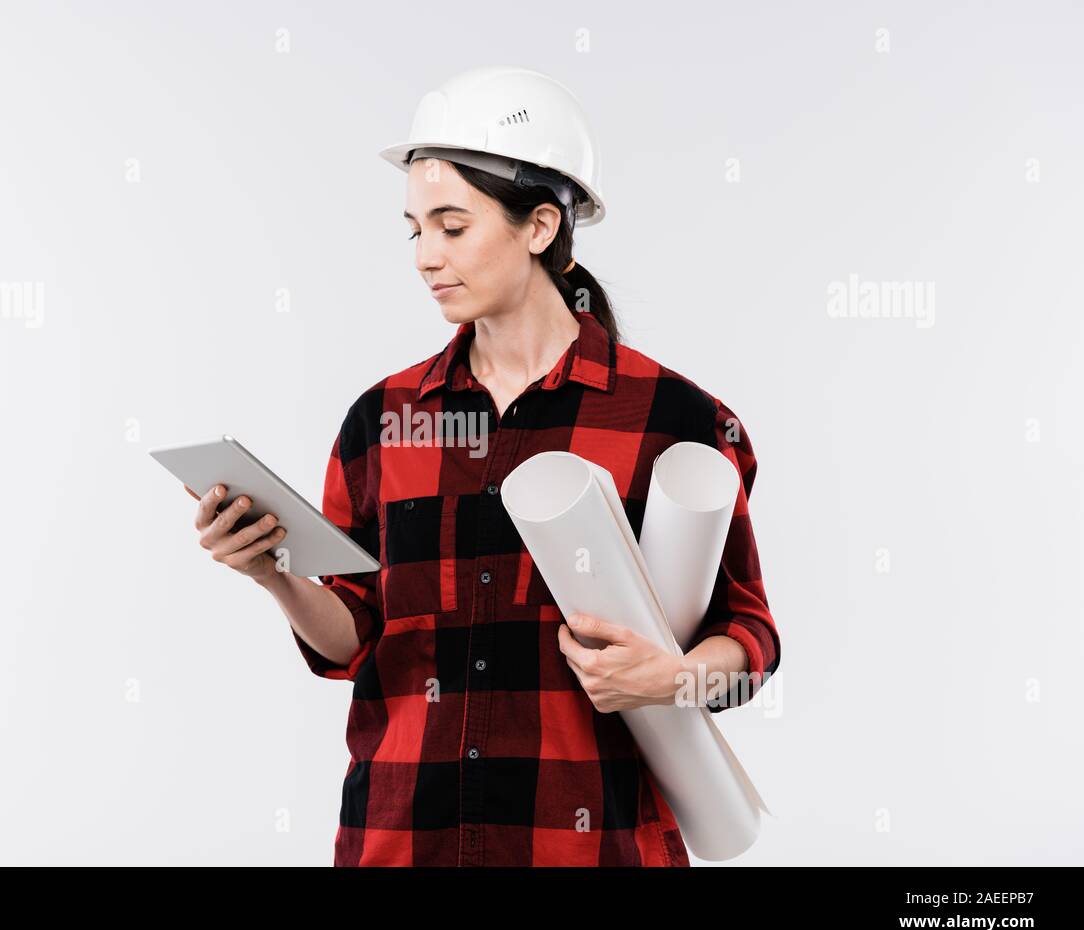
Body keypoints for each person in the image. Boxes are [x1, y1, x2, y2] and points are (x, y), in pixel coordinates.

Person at [188, 66, 781, 866]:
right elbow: (354, 637)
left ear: (539, 227)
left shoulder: (676, 420)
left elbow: (749, 640)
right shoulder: (382, 421)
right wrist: (274, 573)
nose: (426, 256)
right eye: (414, 229)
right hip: (400, 843)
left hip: (591, 849)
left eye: (452, 226)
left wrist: (669, 680)